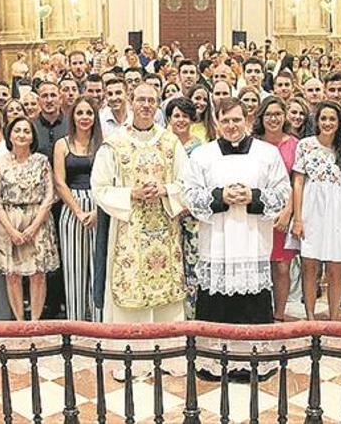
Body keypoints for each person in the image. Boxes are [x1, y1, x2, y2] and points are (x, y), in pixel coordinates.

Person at [183, 97, 290, 380]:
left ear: (248, 121)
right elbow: (190, 195)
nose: (232, 126)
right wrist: (221, 196)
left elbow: (283, 193)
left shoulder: (267, 153)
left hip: (252, 243)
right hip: (216, 245)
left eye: (237, 120)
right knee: (215, 305)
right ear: (217, 123)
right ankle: (213, 363)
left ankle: (253, 363)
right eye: (226, 120)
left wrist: (254, 196)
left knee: (253, 306)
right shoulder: (202, 155)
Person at [91, 83, 189, 324]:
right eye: (141, 100)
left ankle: (167, 341)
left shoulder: (170, 143)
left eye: (151, 101)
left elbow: (188, 183)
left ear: (157, 106)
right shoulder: (114, 144)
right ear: (131, 102)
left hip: (164, 230)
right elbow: (99, 187)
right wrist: (131, 193)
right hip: (129, 230)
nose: (146, 105)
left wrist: (165, 189)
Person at [291, 101, 341, 321]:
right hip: (311, 209)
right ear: (317, 121)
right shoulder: (306, 145)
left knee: (335, 267)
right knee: (310, 266)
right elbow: (298, 182)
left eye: (332, 119)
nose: (327, 123)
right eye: (323, 118)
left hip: (337, 210)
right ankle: (310, 317)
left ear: (339, 123)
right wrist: (298, 219)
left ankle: (333, 316)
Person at [0, 117, 60, 320]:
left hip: (38, 221)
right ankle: (20, 322)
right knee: (12, 276)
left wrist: (33, 227)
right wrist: (11, 230)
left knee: (38, 274)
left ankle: (35, 322)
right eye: (17, 130)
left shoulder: (41, 161)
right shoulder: (0, 162)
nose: (21, 134)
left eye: (26, 131)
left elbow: (49, 197)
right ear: (10, 135)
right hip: (8, 222)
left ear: (32, 137)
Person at [53, 97, 102, 321]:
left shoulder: (103, 144)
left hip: (100, 207)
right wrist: (79, 211)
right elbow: (59, 182)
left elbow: (110, 180)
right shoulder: (62, 144)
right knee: (74, 271)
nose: (84, 117)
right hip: (72, 209)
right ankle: (76, 323)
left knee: (98, 268)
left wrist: (97, 211)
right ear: (73, 116)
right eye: (80, 113)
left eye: (89, 113)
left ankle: (99, 324)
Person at [253, 97, 297, 321]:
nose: (273, 119)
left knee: (281, 266)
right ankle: (261, 313)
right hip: (256, 213)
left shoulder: (294, 144)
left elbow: (297, 182)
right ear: (261, 117)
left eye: (278, 114)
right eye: (268, 114)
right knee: (259, 264)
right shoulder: (252, 143)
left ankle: (279, 314)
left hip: (283, 213)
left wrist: (288, 212)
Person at [165, 97, 203, 319]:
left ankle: (193, 317)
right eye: (176, 116)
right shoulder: (164, 144)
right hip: (168, 213)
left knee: (192, 266)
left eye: (184, 116)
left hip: (191, 217)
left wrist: (187, 205)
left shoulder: (200, 149)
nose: (180, 120)